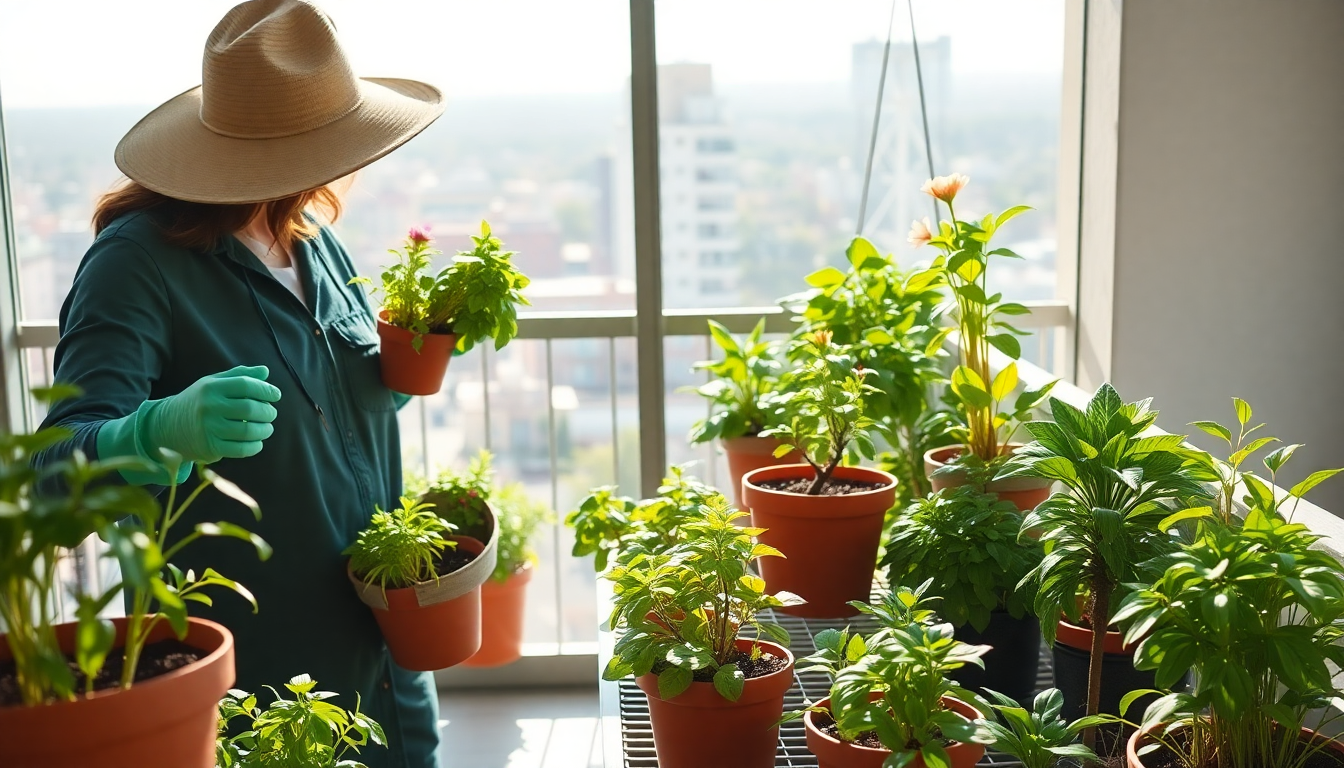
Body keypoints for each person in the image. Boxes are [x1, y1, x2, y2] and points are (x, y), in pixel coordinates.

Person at [33, 1, 445, 765]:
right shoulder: (137, 264)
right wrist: (152, 433)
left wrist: (394, 371)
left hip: (385, 673)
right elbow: (54, 475)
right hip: (256, 700)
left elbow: (336, 411)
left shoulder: (314, 241)